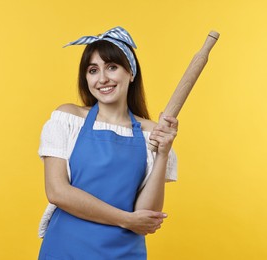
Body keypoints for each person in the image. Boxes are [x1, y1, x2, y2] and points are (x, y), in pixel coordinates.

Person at [37, 26, 178, 259]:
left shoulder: (152, 134)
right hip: (66, 248)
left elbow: (146, 215)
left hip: (125, 252)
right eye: (93, 70)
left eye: (112, 67)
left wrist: (163, 153)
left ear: (131, 73)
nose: (102, 79)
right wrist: (125, 219)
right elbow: (57, 192)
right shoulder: (68, 119)